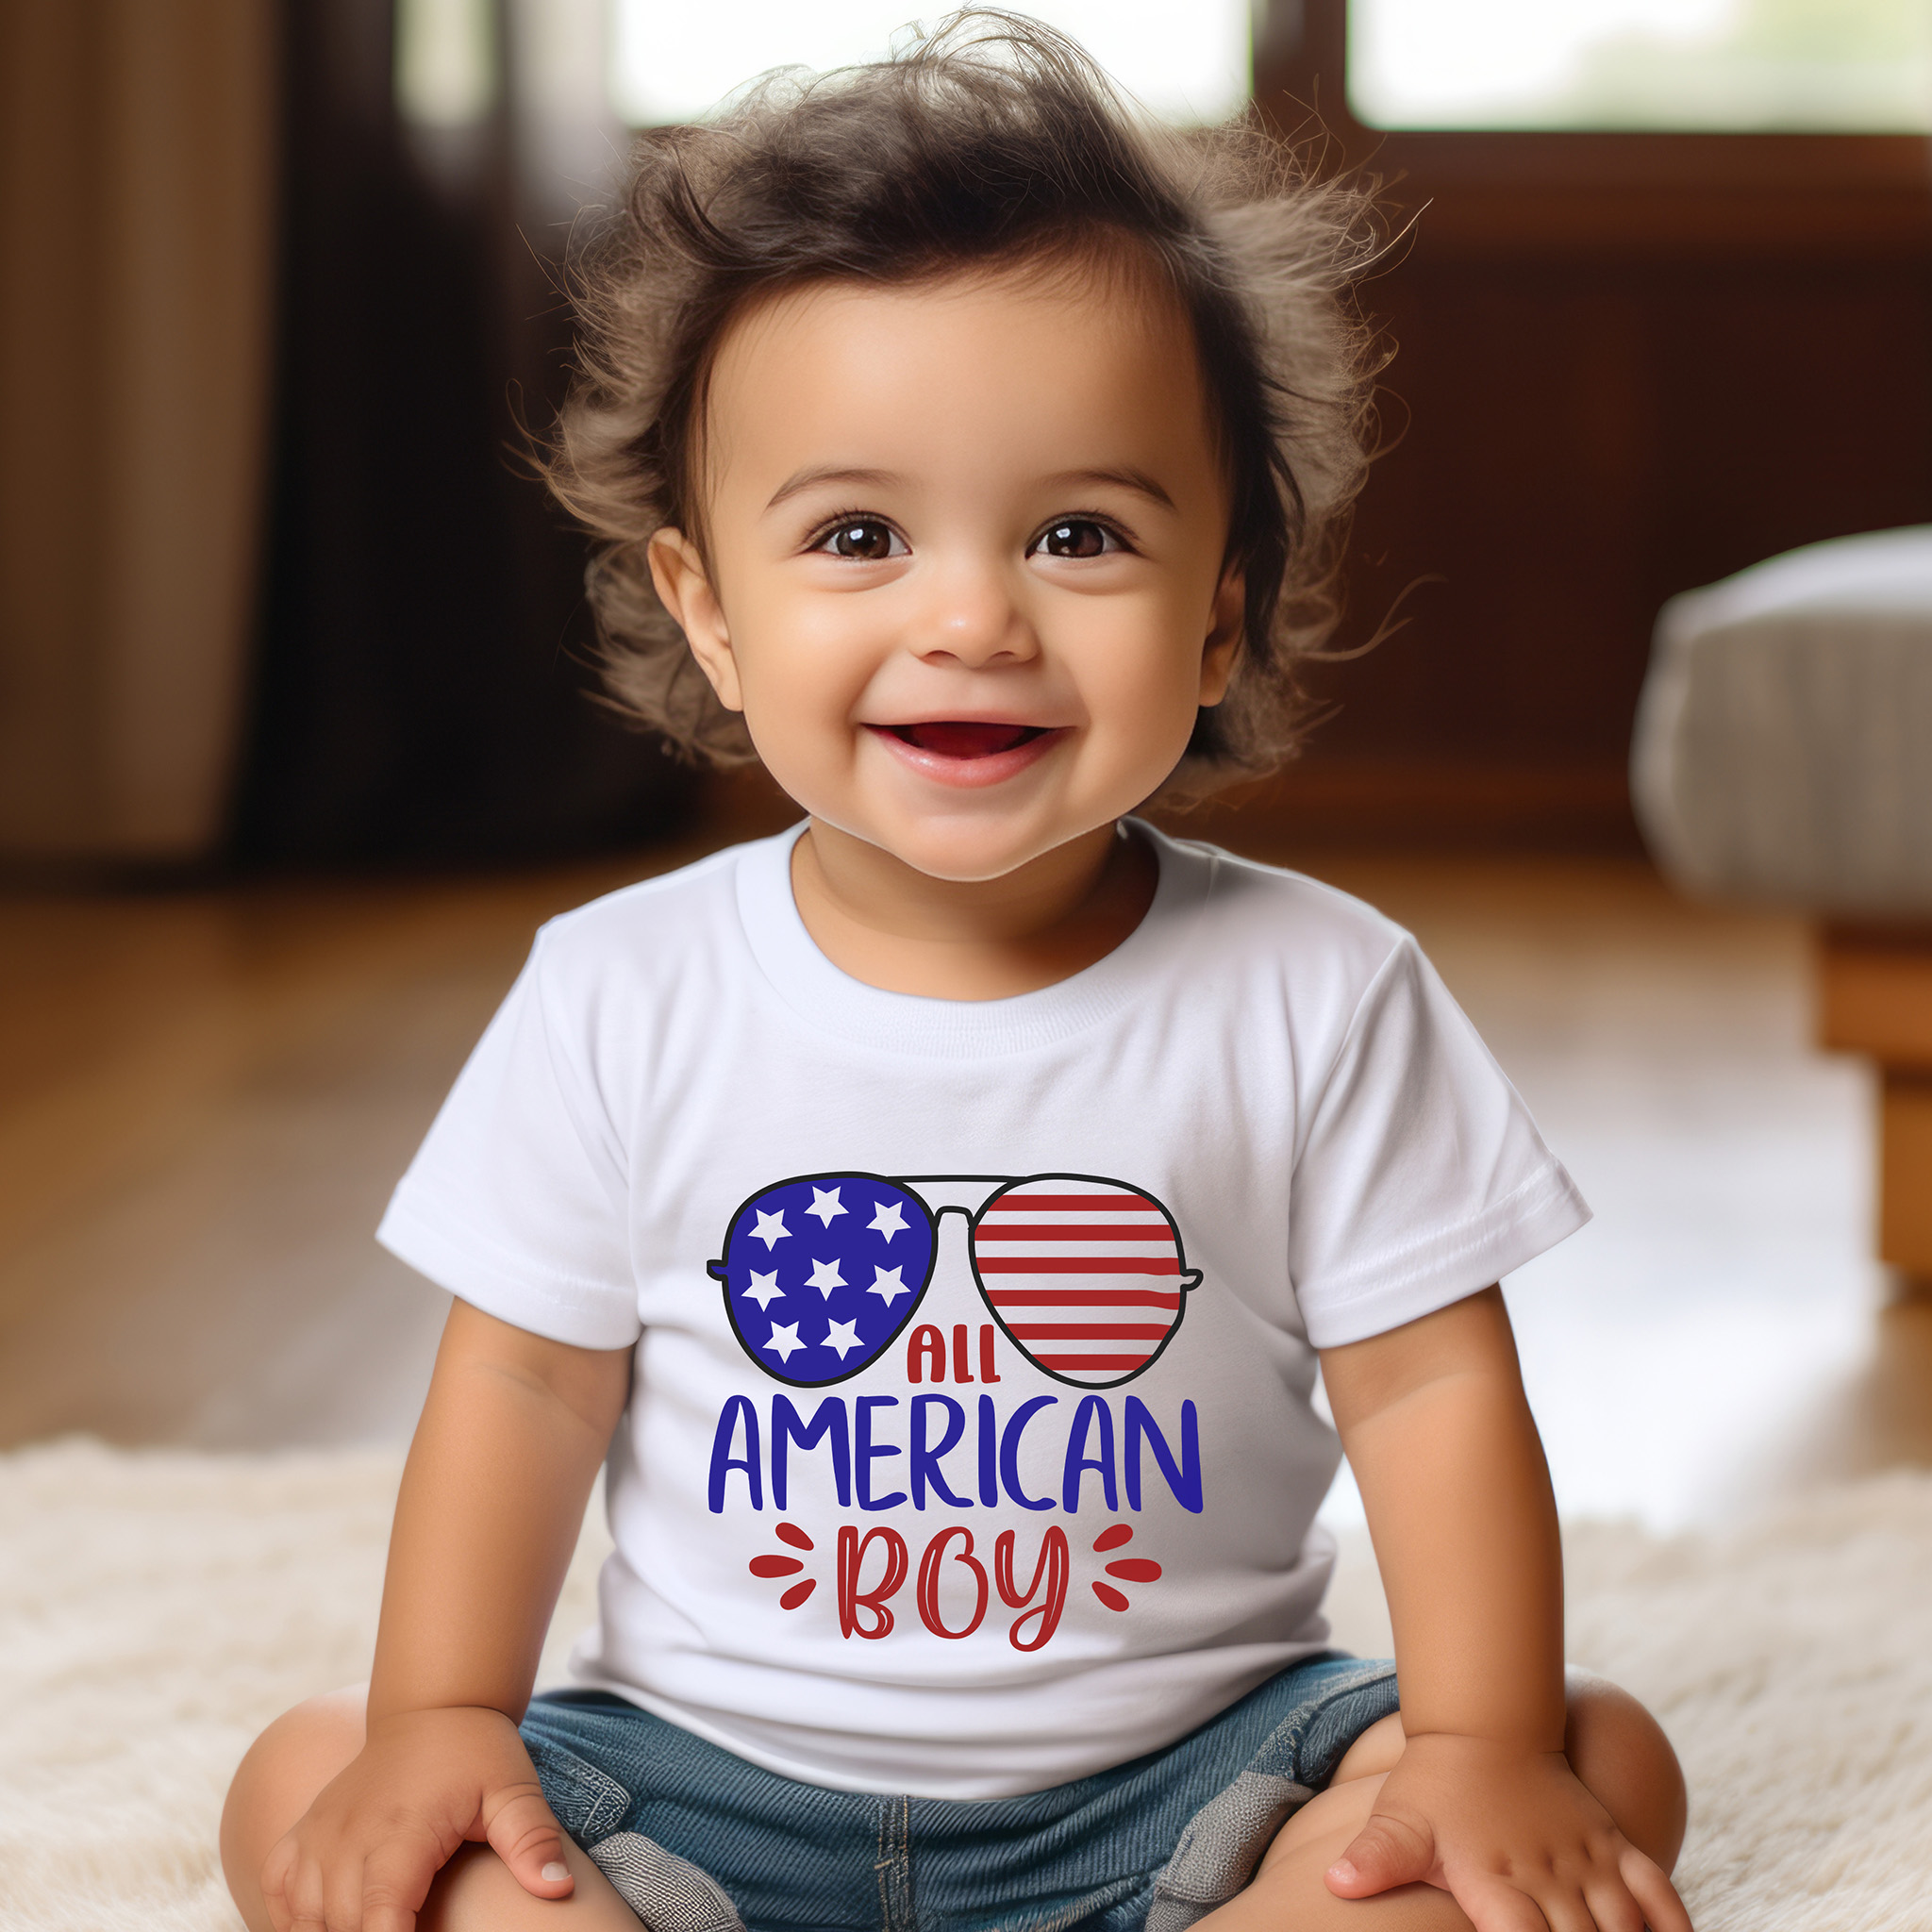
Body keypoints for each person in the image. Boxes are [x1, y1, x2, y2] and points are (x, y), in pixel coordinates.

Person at [222, 15, 1691, 1932]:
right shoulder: (619, 990)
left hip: (1197, 1772)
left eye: (1079, 533)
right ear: (711, 614)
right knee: (315, 1776)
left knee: (1592, 1758)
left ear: (1219, 612)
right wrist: (437, 1712)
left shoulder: (1323, 993)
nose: (972, 616)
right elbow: (521, 1390)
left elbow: (1429, 1399)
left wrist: (1481, 1745)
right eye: (856, 535)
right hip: (707, 1774)